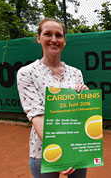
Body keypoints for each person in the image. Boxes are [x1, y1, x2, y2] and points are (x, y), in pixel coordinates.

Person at [17, 18, 89, 178]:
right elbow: (37, 116)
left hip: (77, 147)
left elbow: (81, 114)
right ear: (38, 38)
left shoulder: (76, 73)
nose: (54, 40)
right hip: (44, 151)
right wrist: (59, 154)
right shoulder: (26, 73)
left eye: (59, 35)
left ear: (64, 40)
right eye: (47, 34)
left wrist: (84, 97)